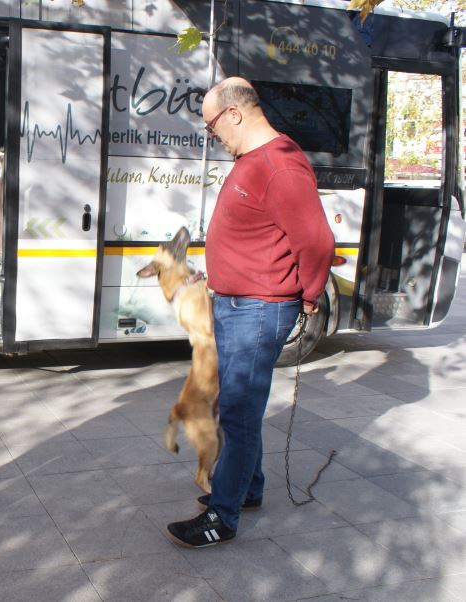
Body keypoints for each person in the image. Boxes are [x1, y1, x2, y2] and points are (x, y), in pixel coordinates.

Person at [166, 77, 334, 548]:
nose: (212, 134)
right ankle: (249, 489)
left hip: (258, 309)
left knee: (238, 410)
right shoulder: (253, 161)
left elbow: (317, 241)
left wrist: (308, 296)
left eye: (212, 124)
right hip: (237, 304)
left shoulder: (279, 167)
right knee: (236, 407)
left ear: (235, 114)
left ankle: (224, 515)